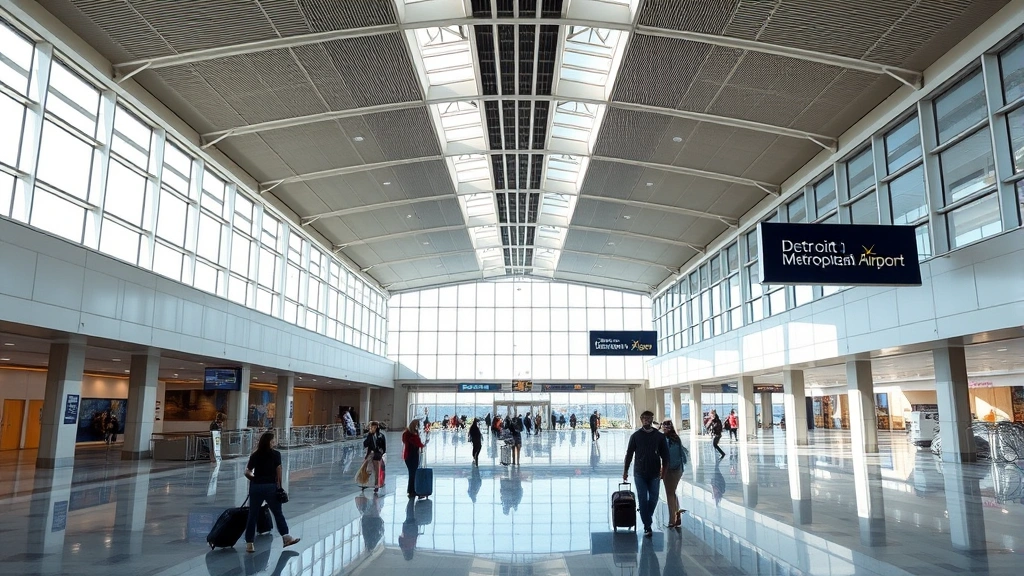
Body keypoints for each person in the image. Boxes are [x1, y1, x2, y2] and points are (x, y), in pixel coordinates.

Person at [243, 431, 300, 553]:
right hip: (270, 487)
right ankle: (286, 537)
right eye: (274, 440)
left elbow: (247, 471)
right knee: (277, 513)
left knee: (252, 515)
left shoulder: (255, 455)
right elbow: (278, 470)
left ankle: (249, 543)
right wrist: (279, 487)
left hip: (256, 487)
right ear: (270, 442)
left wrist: (254, 479)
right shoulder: (276, 454)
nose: (275, 442)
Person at [623, 410, 669, 538]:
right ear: (641, 419)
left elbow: (665, 456)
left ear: (652, 419)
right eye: (644, 418)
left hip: (655, 473)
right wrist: (625, 471)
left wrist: (663, 472)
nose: (646, 420)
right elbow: (629, 455)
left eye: (649, 418)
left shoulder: (659, 437)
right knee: (643, 499)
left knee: (653, 498)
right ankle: (647, 525)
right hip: (640, 473)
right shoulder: (636, 436)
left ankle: (645, 515)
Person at [661, 419, 688, 528]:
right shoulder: (677, 439)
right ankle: (677, 516)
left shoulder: (665, 439)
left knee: (669, 494)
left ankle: (672, 520)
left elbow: (665, 456)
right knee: (672, 492)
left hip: (669, 470)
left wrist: (662, 469)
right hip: (679, 469)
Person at [402, 419, 428, 498]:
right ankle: (412, 491)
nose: (417, 427)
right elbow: (418, 443)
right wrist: (424, 443)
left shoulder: (407, 434)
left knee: (412, 473)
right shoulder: (410, 435)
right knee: (413, 473)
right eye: (416, 425)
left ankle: (411, 490)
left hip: (411, 456)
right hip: (411, 456)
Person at [362, 421, 386, 494]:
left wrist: (381, 453)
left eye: (375, 427)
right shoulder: (369, 435)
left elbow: (383, 446)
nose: (374, 428)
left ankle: (376, 484)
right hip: (370, 454)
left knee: (377, 470)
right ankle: (365, 482)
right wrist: (369, 435)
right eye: (372, 427)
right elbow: (365, 444)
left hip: (377, 454)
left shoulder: (381, 436)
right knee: (368, 469)